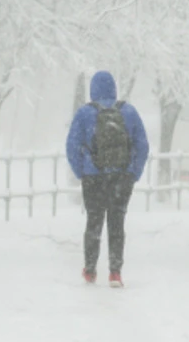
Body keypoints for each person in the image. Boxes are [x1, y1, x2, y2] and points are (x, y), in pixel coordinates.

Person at [64, 71, 150, 287]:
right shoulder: (128, 112)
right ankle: (115, 272)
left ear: (93, 89)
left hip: (93, 177)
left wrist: (81, 171)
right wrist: (134, 173)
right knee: (117, 223)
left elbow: (72, 146)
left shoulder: (84, 113)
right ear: (114, 87)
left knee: (93, 222)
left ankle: (90, 270)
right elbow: (142, 145)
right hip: (122, 176)